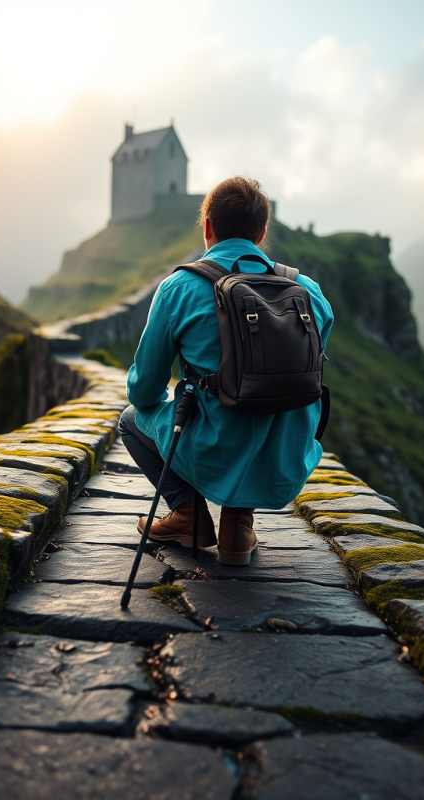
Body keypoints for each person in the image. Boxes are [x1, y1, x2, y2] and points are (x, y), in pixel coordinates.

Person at [118, 177, 333, 566]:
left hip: (212, 450)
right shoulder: (309, 291)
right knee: (265, 418)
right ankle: (237, 526)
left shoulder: (178, 287)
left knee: (131, 420)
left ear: (207, 227)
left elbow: (145, 388)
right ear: (262, 232)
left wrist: (176, 396)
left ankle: (189, 515)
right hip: (285, 454)